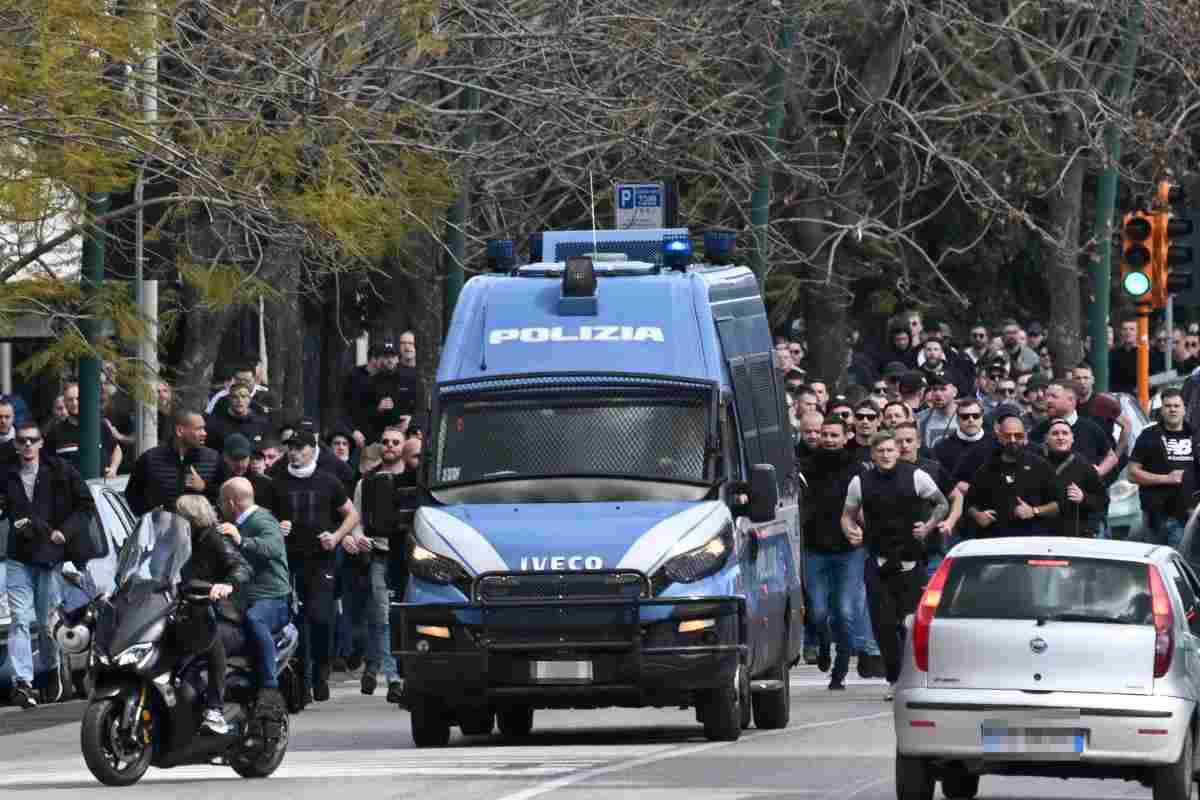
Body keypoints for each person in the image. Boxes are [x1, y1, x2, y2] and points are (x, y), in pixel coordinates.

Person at [841, 431, 948, 699]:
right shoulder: (860, 482)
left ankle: (918, 677)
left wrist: (929, 526)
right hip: (878, 560)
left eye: (890, 450)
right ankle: (895, 679)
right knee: (883, 624)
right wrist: (850, 531)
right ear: (873, 454)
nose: (886, 455)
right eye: (880, 451)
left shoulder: (916, 476)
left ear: (898, 451)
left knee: (910, 623)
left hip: (912, 560)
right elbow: (847, 516)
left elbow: (942, 504)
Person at [4, 419, 95, 708]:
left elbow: (85, 506)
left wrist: (63, 533)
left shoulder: (59, 471)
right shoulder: (7, 474)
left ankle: (51, 671)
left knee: (45, 623)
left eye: (32, 440)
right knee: (20, 619)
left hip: (49, 557)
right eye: (22, 441)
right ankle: (23, 682)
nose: (27, 445)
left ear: (42, 442)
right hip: (19, 556)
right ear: (16, 445)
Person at [273, 428, 359, 702]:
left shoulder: (328, 481)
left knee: (321, 617)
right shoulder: (277, 482)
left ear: (312, 450)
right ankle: (302, 681)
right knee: (297, 622)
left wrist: (335, 537)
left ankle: (322, 671)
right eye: (291, 448)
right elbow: (261, 516)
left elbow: (352, 515)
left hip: (322, 561)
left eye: (300, 448)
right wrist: (276, 527)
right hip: (289, 561)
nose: (294, 453)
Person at [799, 416, 874, 689]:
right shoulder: (805, 468)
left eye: (834, 435)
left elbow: (870, 506)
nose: (829, 440)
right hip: (814, 549)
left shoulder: (858, 469)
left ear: (846, 437)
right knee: (817, 611)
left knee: (845, 611)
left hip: (849, 550)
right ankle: (822, 645)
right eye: (825, 435)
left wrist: (866, 531)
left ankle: (840, 670)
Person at [176, 494, 251, 734]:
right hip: (186, 611)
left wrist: (227, 585)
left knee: (212, 640)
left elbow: (241, 566)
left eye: (181, 516)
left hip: (219, 613)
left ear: (193, 518)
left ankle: (215, 709)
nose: (177, 520)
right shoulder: (175, 541)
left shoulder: (214, 538)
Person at [216, 477, 291, 707]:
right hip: (245, 595)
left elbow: (273, 547)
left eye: (221, 502)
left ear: (230, 503)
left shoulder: (262, 520)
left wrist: (242, 540)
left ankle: (270, 687)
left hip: (273, 599)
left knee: (255, 618)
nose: (219, 507)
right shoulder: (237, 523)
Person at [343, 432, 405, 700]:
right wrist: (359, 538)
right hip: (379, 555)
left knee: (406, 615)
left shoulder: (413, 478)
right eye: (386, 441)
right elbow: (355, 517)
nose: (389, 446)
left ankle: (391, 668)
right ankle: (393, 678)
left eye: (395, 442)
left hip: (411, 557)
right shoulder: (365, 483)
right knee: (381, 616)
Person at [964, 414, 1058, 538]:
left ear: (1025, 437)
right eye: (1008, 436)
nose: (1013, 440)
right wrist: (978, 515)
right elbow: (969, 504)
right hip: (995, 540)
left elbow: (1057, 505)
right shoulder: (986, 469)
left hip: (1033, 539)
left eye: (1018, 436)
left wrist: (1034, 511)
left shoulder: (1041, 466)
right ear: (999, 437)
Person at [1130, 388, 1197, 548]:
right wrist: (1167, 478)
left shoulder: (1196, 435)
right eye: (1168, 406)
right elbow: (1132, 474)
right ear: (1162, 410)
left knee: (1183, 566)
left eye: (1176, 405)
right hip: (1156, 516)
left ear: (1184, 409)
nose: (1172, 409)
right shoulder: (1149, 435)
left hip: (1189, 516)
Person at [125, 409, 222, 516]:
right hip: (162, 530)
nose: (204, 433)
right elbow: (132, 496)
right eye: (198, 429)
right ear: (180, 431)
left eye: (204, 428)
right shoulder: (150, 459)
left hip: (201, 530)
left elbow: (224, 497)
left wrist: (204, 487)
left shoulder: (213, 458)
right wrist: (150, 514)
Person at [1043, 420, 1107, 538]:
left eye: (1065, 433)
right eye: (1055, 434)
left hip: (1075, 534)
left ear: (1072, 439)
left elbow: (1103, 500)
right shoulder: (1037, 463)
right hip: (1042, 532)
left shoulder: (1083, 465)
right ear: (1047, 439)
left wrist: (1083, 498)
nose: (1060, 437)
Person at [44, 382, 121, 478]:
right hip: (69, 489)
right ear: (64, 402)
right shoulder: (55, 431)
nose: (74, 403)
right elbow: (46, 461)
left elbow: (116, 450)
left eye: (78, 398)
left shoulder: (99, 425)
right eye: (70, 400)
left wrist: (113, 469)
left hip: (98, 486)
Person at [205, 381, 271, 456]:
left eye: (243, 396)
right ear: (229, 399)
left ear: (249, 399)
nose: (240, 400)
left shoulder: (261, 423)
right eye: (235, 397)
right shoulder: (217, 424)